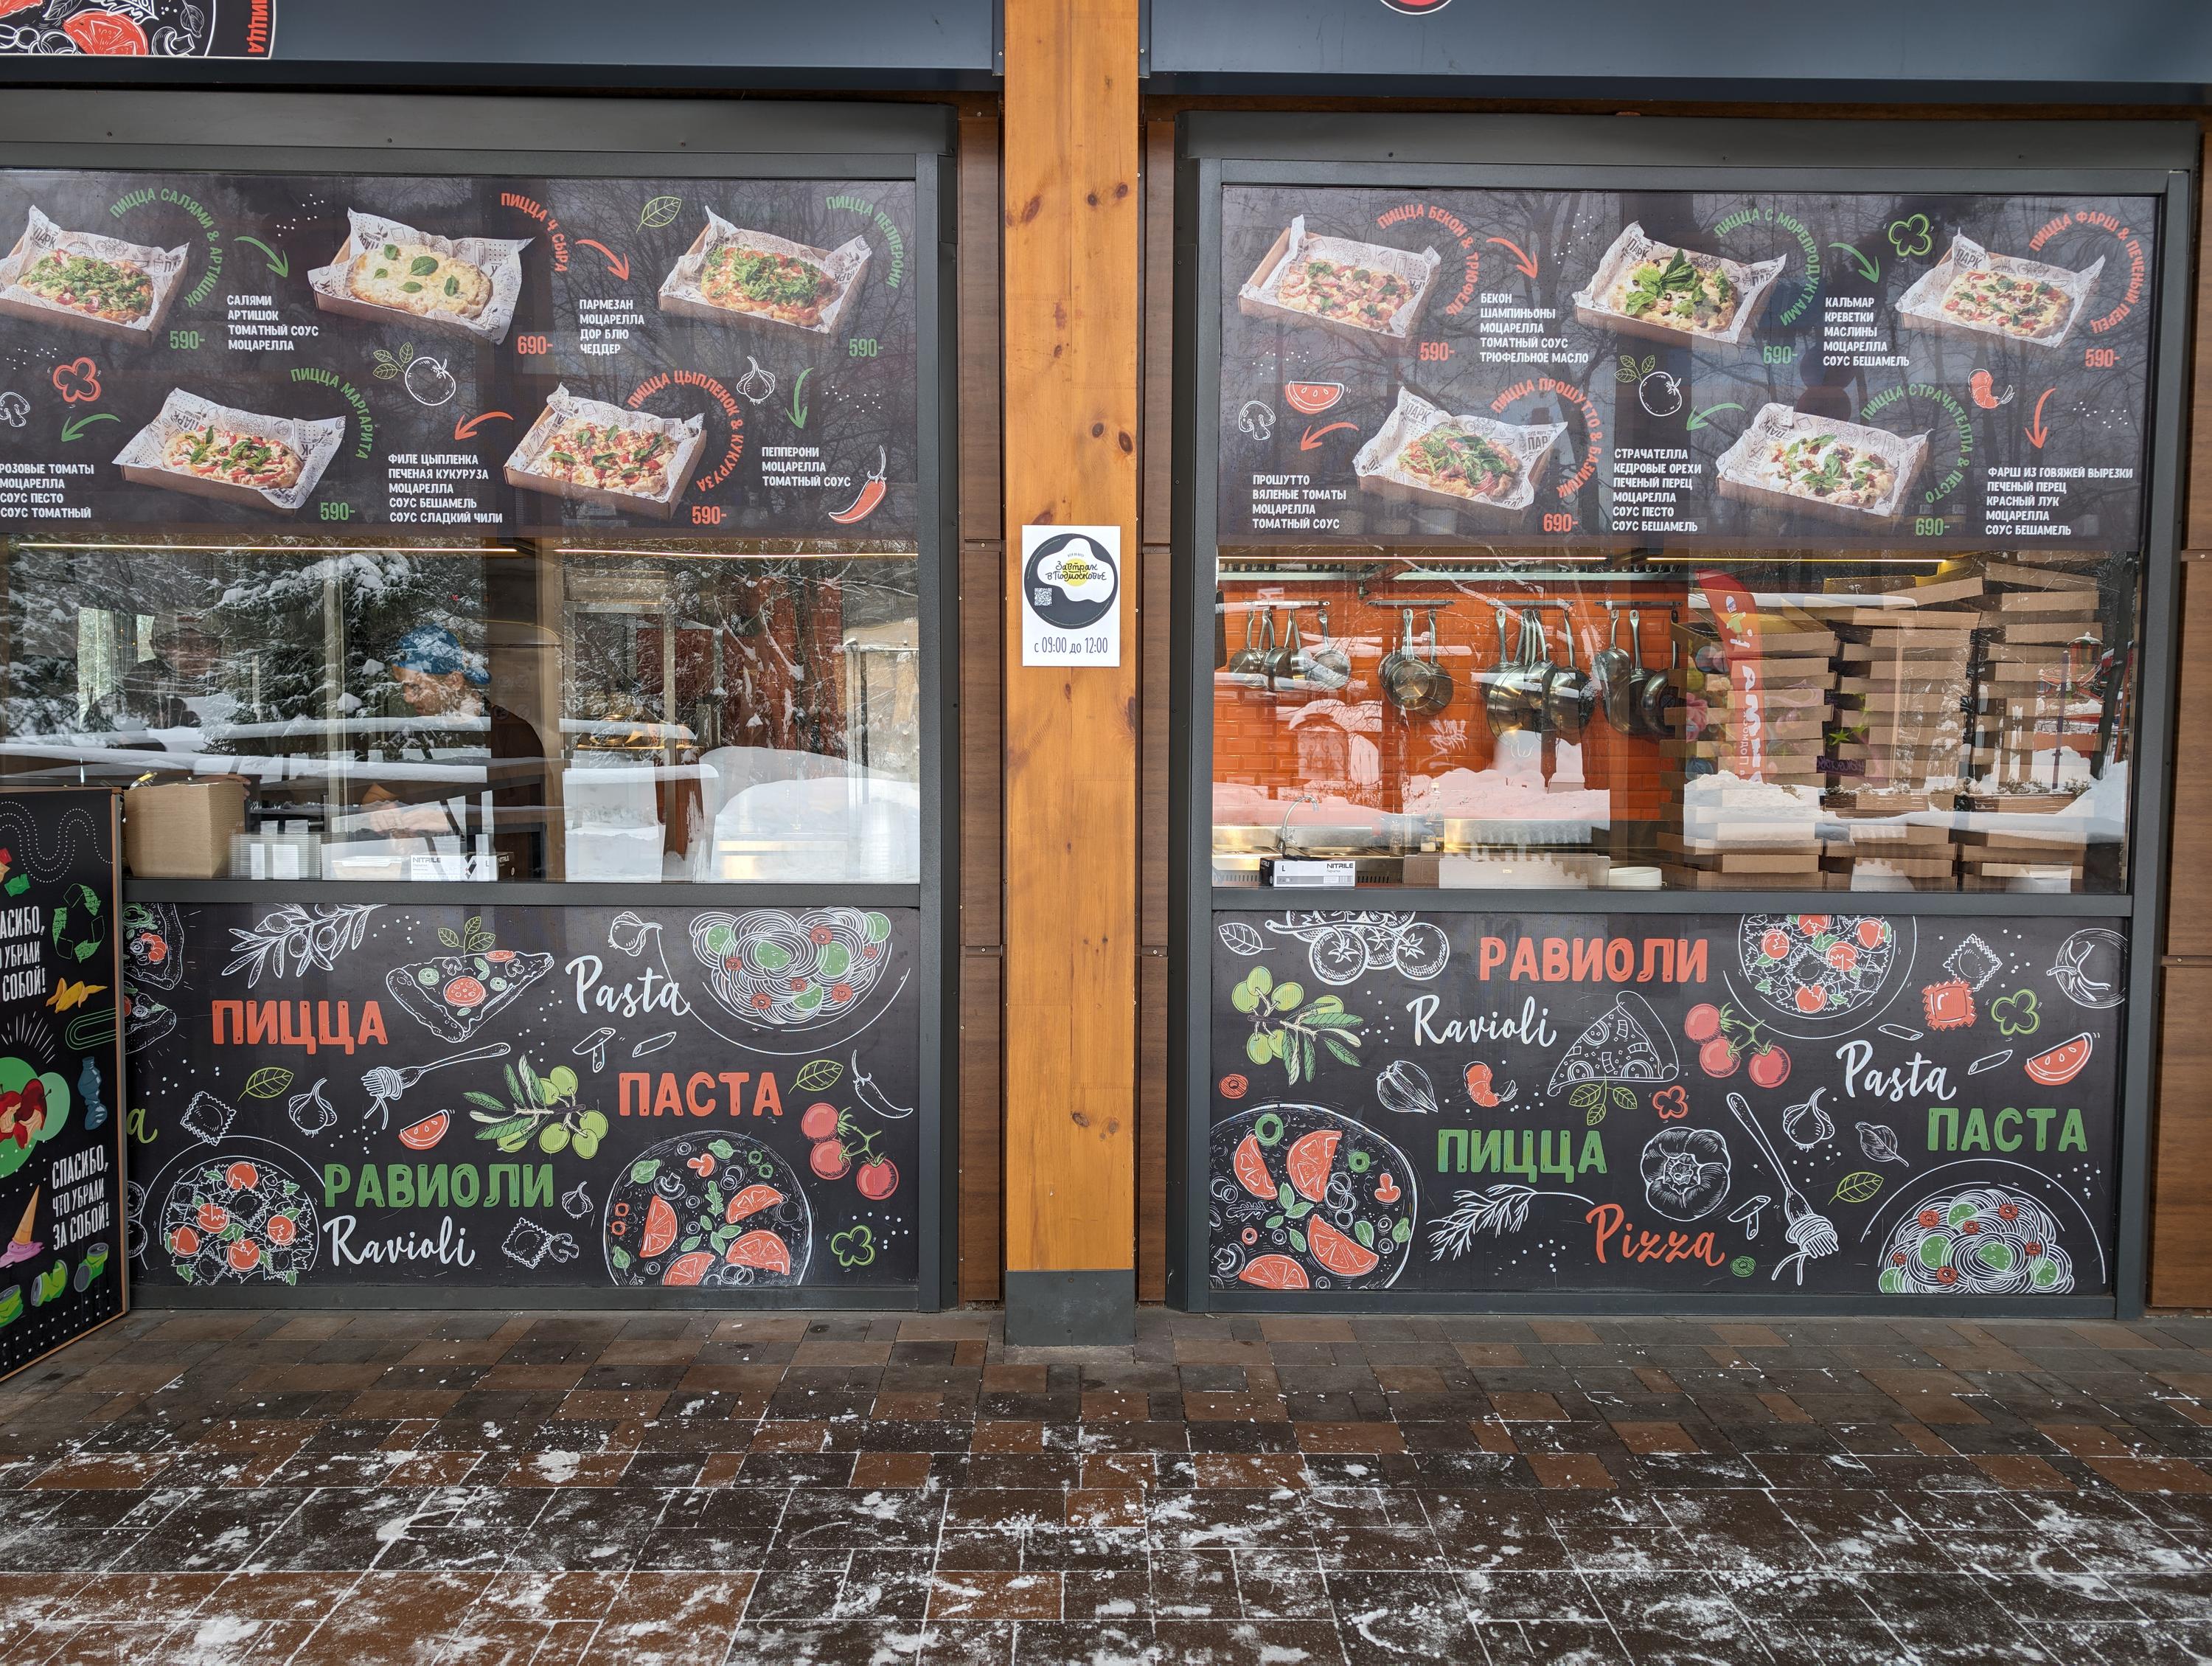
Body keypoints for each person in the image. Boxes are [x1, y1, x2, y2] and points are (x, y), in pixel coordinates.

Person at [353, 625, 544, 875]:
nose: (407, 698)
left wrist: (445, 819)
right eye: (404, 688)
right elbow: (374, 795)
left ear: (454, 681)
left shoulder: (511, 734)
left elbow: (532, 816)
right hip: (419, 877)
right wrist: (382, 812)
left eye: (416, 687)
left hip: (497, 880)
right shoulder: (408, 735)